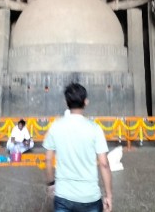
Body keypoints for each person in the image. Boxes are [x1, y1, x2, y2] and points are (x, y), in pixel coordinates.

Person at [43, 83, 113, 212]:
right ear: (86, 102)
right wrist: (108, 195)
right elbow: (104, 164)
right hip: (90, 197)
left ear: (66, 102)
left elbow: (47, 159)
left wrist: (51, 184)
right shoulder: (95, 128)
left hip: (63, 195)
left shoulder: (55, 126)